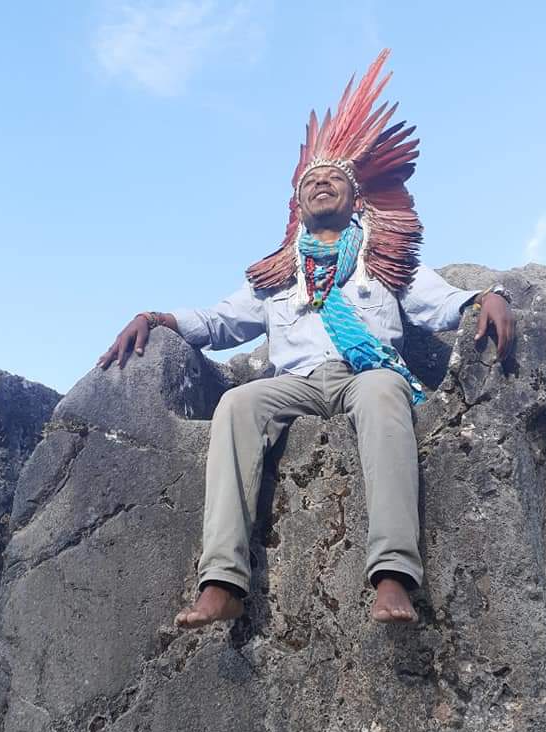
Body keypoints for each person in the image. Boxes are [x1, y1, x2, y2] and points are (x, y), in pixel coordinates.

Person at [98, 50, 514, 628]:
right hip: (293, 383)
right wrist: (157, 317)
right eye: (311, 181)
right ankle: (222, 583)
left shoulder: (382, 259)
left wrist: (488, 296)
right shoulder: (279, 275)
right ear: (297, 206)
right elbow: (220, 323)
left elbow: (440, 302)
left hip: (362, 375)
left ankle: (393, 576)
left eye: (333, 180)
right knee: (238, 404)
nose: (321, 184)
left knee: (382, 394)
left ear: (354, 198)